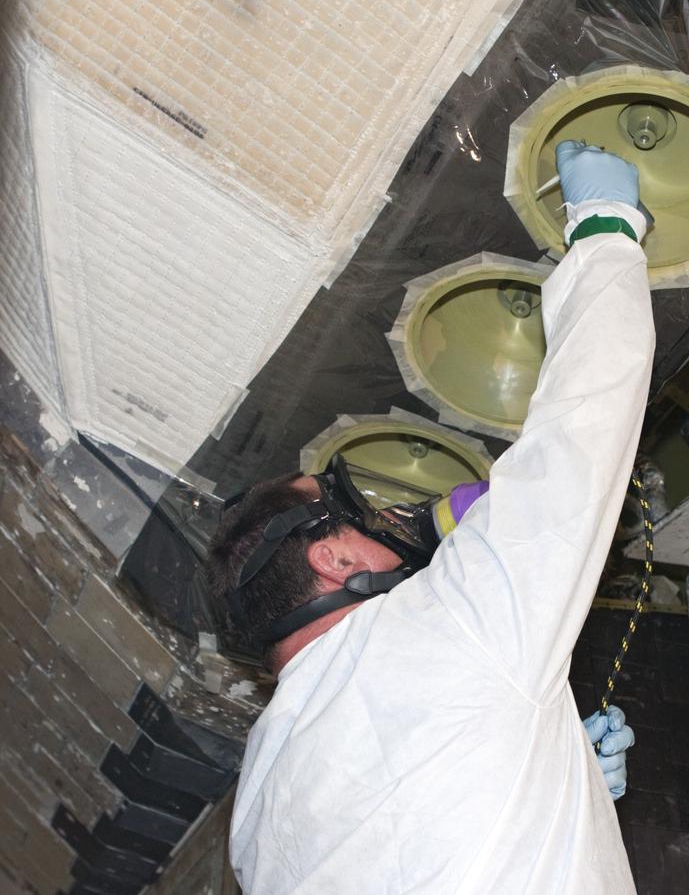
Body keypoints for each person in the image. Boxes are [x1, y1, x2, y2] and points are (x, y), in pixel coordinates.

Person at [203, 141, 654, 893]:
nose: (388, 517)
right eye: (354, 512)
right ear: (333, 561)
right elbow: (583, 429)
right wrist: (605, 230)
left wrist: (550, 766)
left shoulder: (258, 805)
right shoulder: (446, 623)